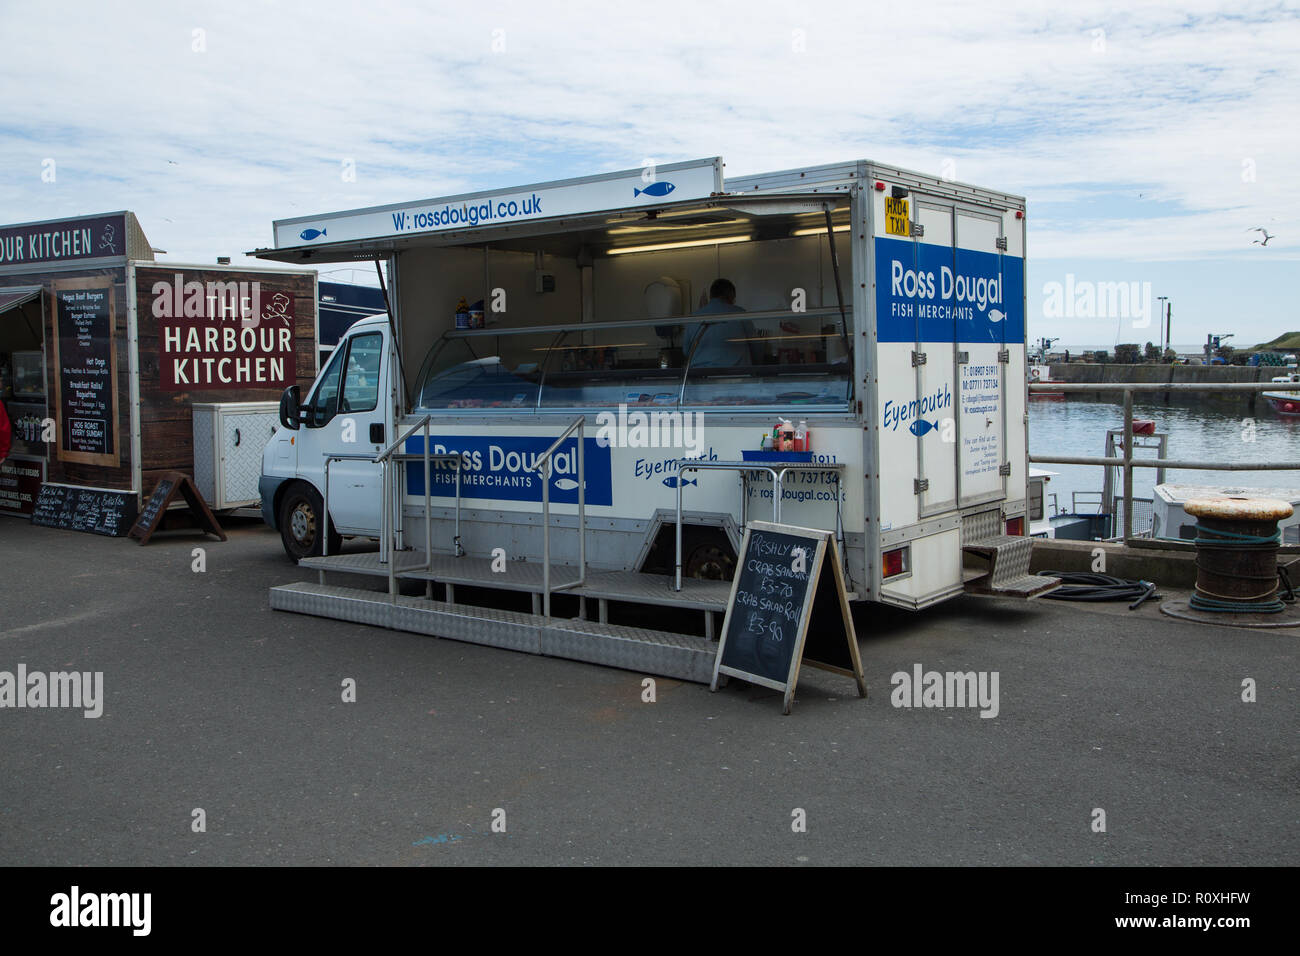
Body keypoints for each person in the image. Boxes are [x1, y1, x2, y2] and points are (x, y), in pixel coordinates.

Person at [684, 278, 755, 368]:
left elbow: (686, 351)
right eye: (734, 299)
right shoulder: (740, 314)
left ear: (711, 296)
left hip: (701, 376)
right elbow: (755, 346)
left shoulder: (694, 317)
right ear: (731, 296)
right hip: (736, 375)